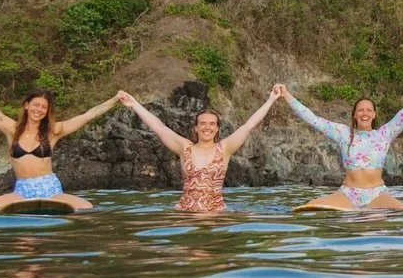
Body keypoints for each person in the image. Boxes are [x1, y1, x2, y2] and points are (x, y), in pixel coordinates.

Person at [0, 53, 119, 210]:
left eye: (44, 107)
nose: (39, 110)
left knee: (87, 208)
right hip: (21, 191)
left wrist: (115, 99)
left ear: (47, 111)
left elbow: (87, 116)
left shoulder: (53, 131)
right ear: (27, 106)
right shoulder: (11, 129)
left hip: (51, 190)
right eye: (36, 105)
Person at [116, 86, 281, 213]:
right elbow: (159, 127)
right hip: (184, 212)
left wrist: (271, 100)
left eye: (212, 124)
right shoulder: (185, 147)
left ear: (217, 128)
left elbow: (249, 125)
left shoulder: (225, 148)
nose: (207, 127)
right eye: (202, 123)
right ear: (196, 127)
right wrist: (134, 104)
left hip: (215, 214)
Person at [278, 79, 403, 210]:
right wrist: (286, 95)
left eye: (369, 110)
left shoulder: (384, 134)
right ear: (354, 114)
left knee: (400, 210)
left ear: (374, 115)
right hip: (348, 194)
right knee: (310, 207)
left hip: (377, 194)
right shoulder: (343, 133)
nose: (364, 113)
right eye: (360, 110)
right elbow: (313, 119)